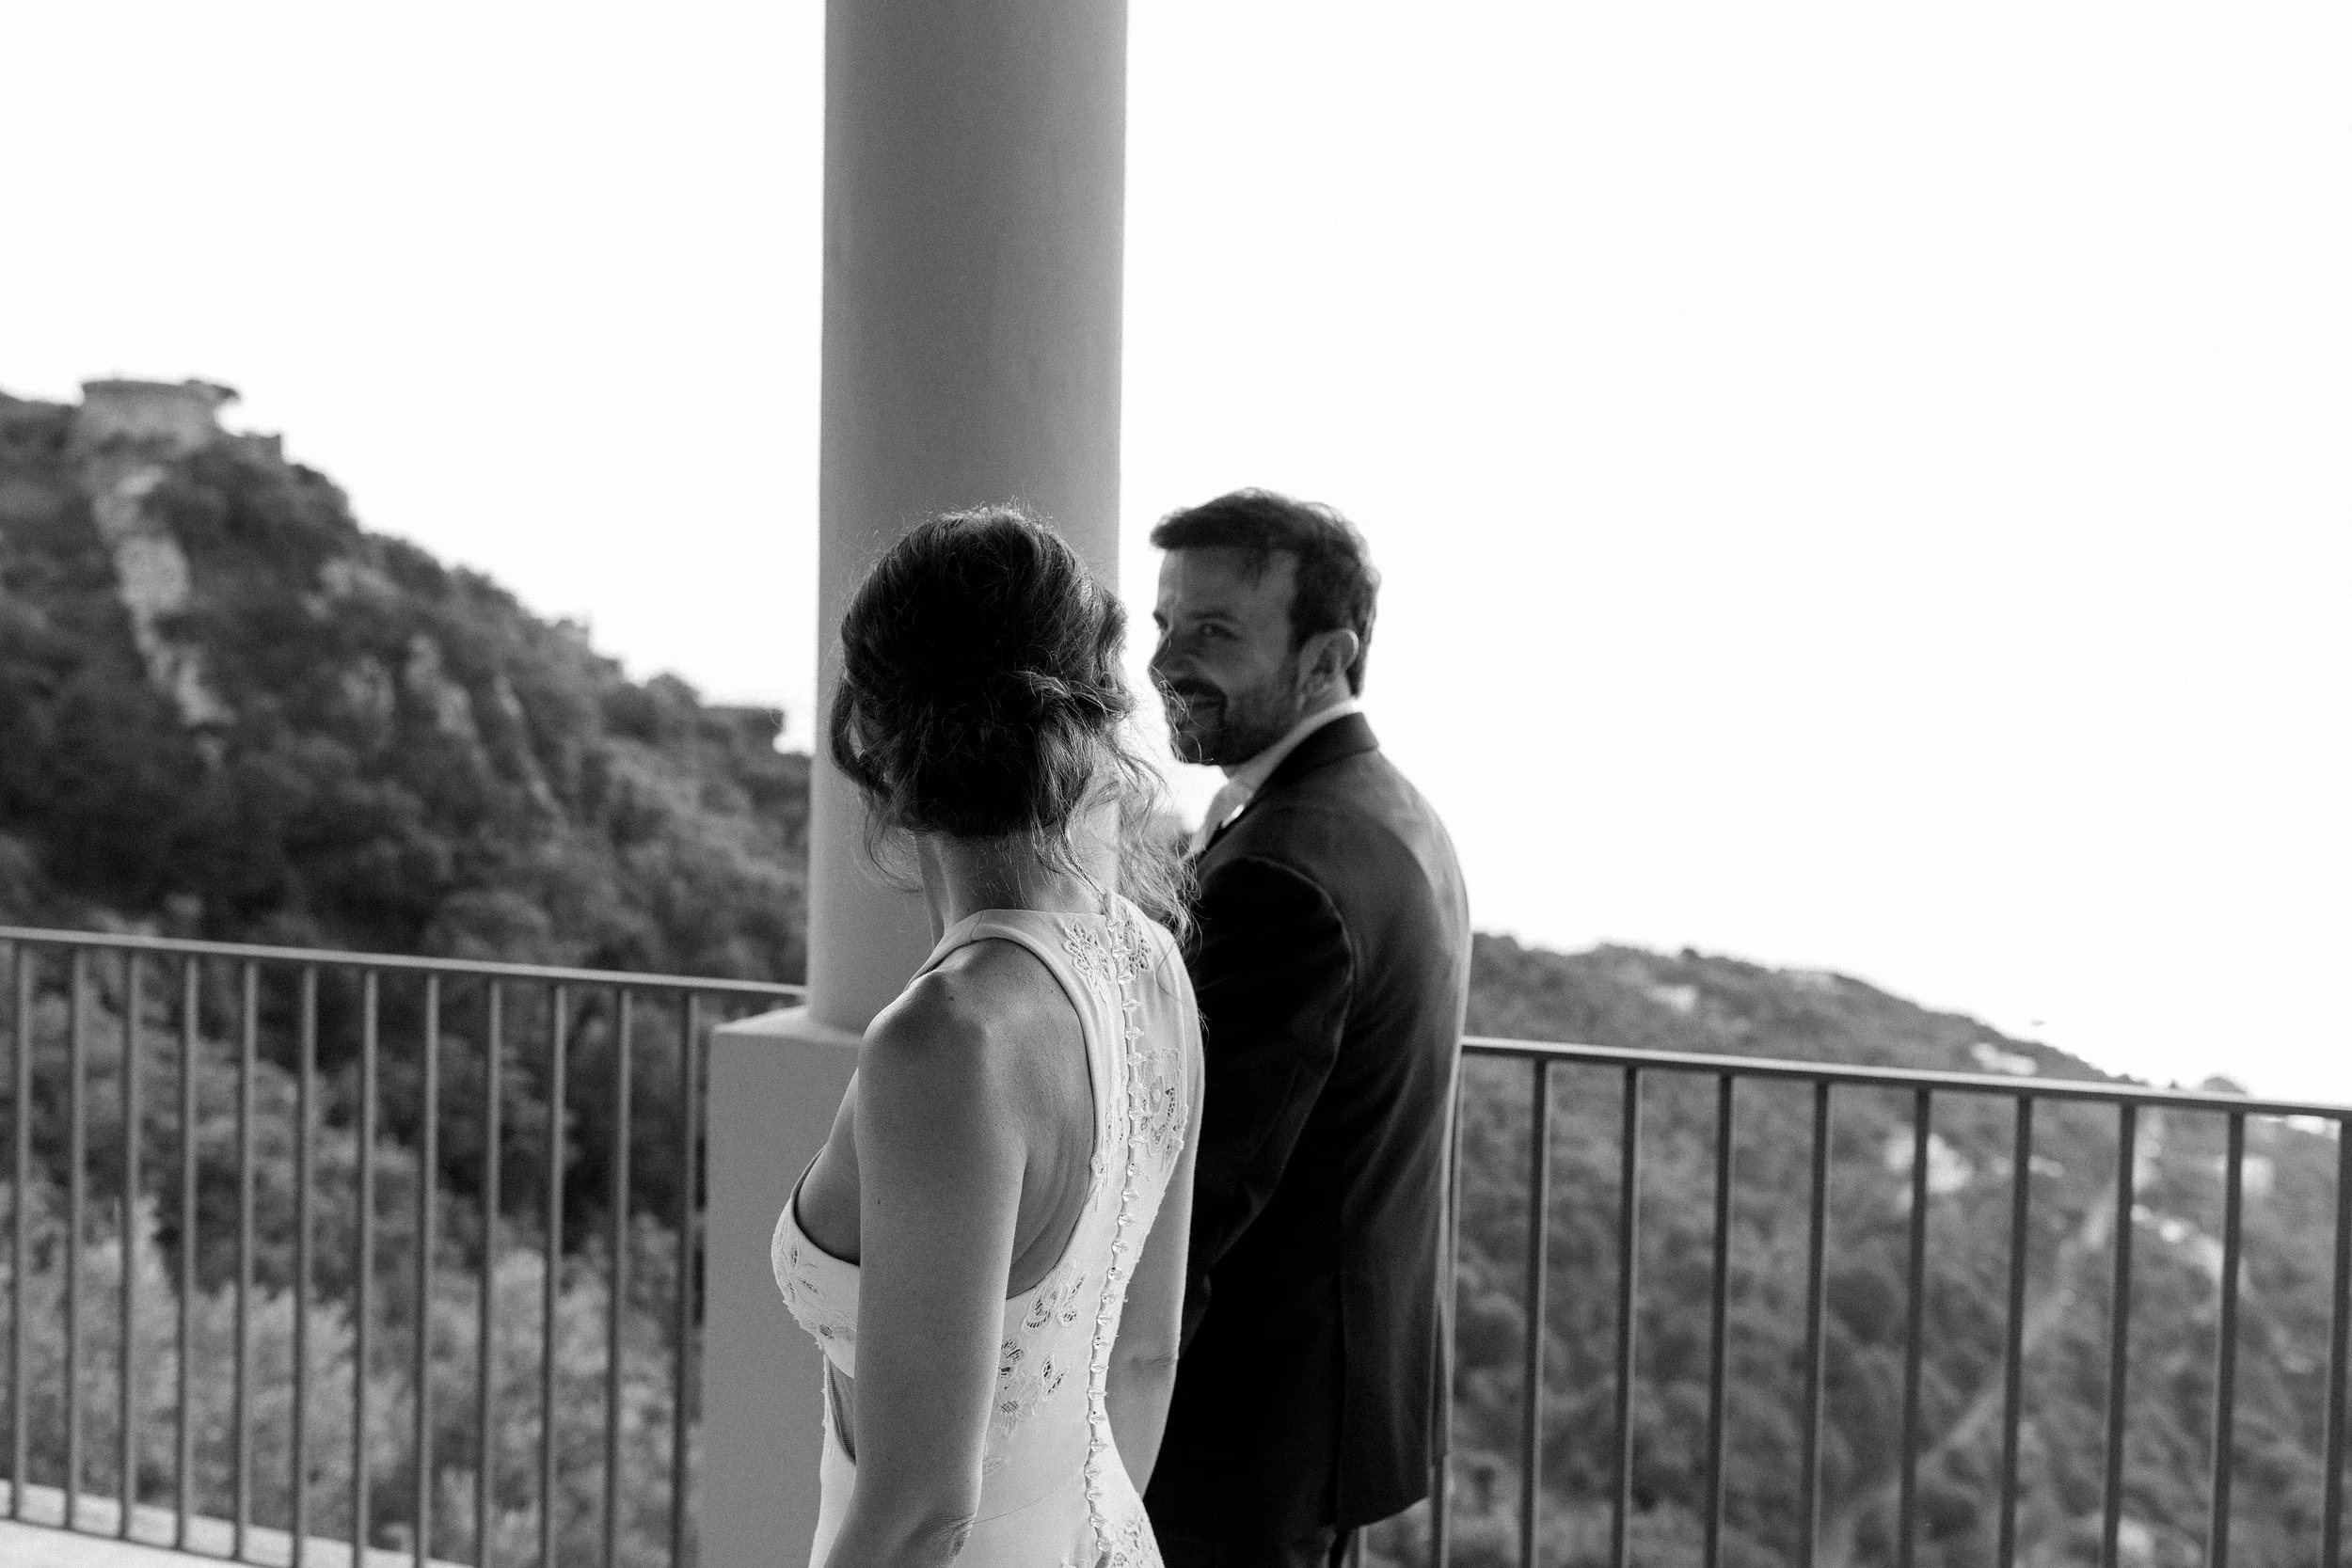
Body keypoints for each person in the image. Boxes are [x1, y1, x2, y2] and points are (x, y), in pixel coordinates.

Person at [771, 506, 1206, 1568]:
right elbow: (1144, 1357)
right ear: (1095, 710)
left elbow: (920, 1511)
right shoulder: (1155, 966)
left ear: (870, 734)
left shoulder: (946, 1039)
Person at [1140, 490, 1470, 1568]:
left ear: (1329, 656)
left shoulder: (1286, 869)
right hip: (1322, 1408)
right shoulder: (1391, 810)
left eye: (1213, 632)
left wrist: (1086, 1399)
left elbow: (1200, 1194)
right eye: (1164, 625)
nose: (1164, 662)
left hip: (1238, 1439)